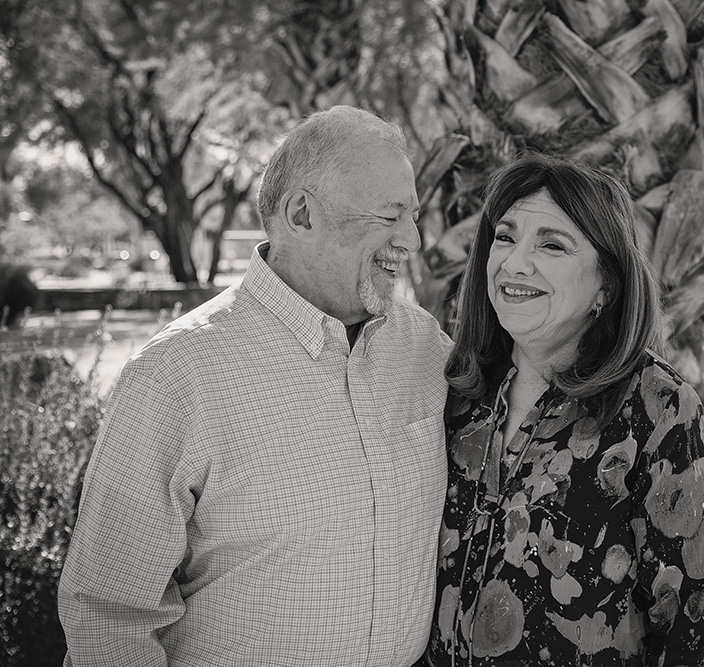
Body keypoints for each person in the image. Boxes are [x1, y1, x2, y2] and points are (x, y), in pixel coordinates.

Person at [58, 106, 451, 666]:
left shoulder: (425, 348)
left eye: (413, 216)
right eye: (390, 217)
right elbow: (109, 617)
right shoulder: (177, 373)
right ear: (301, 213)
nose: (411, 240)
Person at [424, 155, 704, 666]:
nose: (514, 262)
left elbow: (685, 628)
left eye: (552, 244)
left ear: (605, 285)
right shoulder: (453, 391)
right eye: (504, 237)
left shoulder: (658, 408)